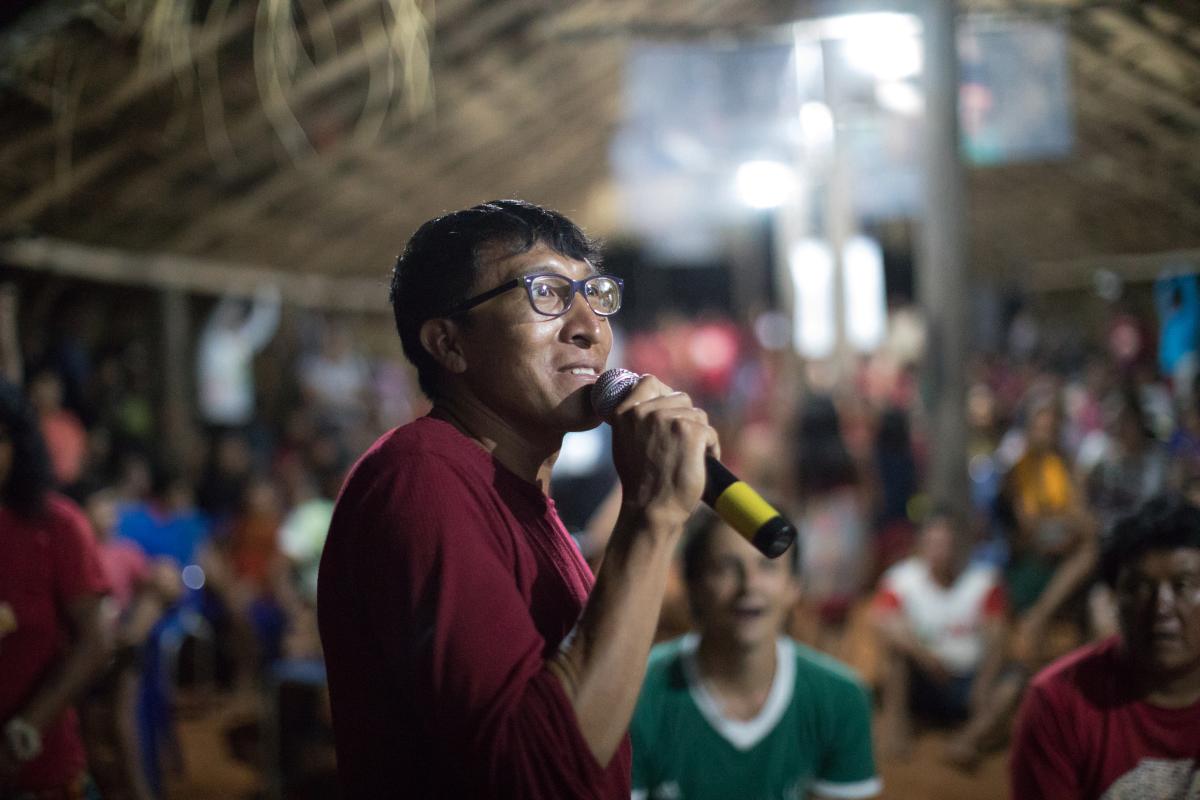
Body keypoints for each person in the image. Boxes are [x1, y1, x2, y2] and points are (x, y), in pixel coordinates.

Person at [317, 199, 718, 798]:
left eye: (595, 295)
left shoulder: (522, 495)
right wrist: (651, 515)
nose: (589, 327)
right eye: (547, 295)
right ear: (450, 344)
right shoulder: (420, 478)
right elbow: (540, 774)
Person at [631, 511, 880, 800]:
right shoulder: (639, 692)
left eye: (767, 566)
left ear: (794, 586)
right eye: (726, 567)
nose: (749, 585)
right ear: (693, 586)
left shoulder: (841, 698)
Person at [1010, 494, 1200, 798]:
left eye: (1184, 585)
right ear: (1113, 600)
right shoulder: (1060, 702)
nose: (1161, 606)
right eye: (1139, 587)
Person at [0, 378, 113, 797]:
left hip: (42, 770)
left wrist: (26, 730)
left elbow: (95, 641)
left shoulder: (57, 526)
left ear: (19, 446)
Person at [873, 508, 1021, 769]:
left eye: (947, 543)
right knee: (897, 656)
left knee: (1014, 682)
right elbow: (883, 621)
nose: (941, 551)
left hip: (969, 681)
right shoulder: (902, 579)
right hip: (925, 679)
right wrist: (926, 657)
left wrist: (984, 683)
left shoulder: (984, 581)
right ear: (921, 545)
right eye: (934, 543)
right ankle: (896, 732)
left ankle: (969, 738)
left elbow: (998, 635)